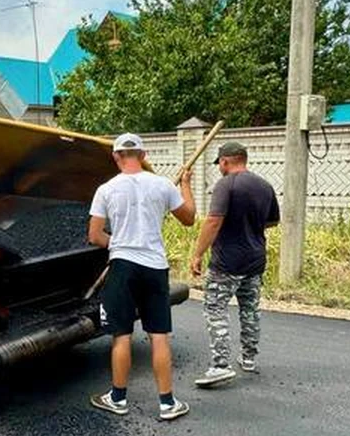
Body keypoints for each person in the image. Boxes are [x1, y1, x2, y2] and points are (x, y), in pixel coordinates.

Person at [88, 132, 196, 420]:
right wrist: (186, 185)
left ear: (116, 157)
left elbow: (94, 235)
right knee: (159, 336)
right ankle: (167, 403)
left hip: (122, 267)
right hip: (154, 266)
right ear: (144, 155)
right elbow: (189, 218)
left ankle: (118, 398)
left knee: (121, 335)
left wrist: (120, 243)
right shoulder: (162, 185)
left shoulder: (106, 189)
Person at [189, 141, 280, 387]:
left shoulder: (226, 185)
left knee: (215, 309)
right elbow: (272, 221)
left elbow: (213, 222)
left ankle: (220, 366)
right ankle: (248, 358)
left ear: (226, 161)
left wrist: (197, 254)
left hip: (226, 263)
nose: (219, 167)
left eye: (219, 163)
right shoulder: (264, 186)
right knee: (250, 309)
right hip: (255, 260)